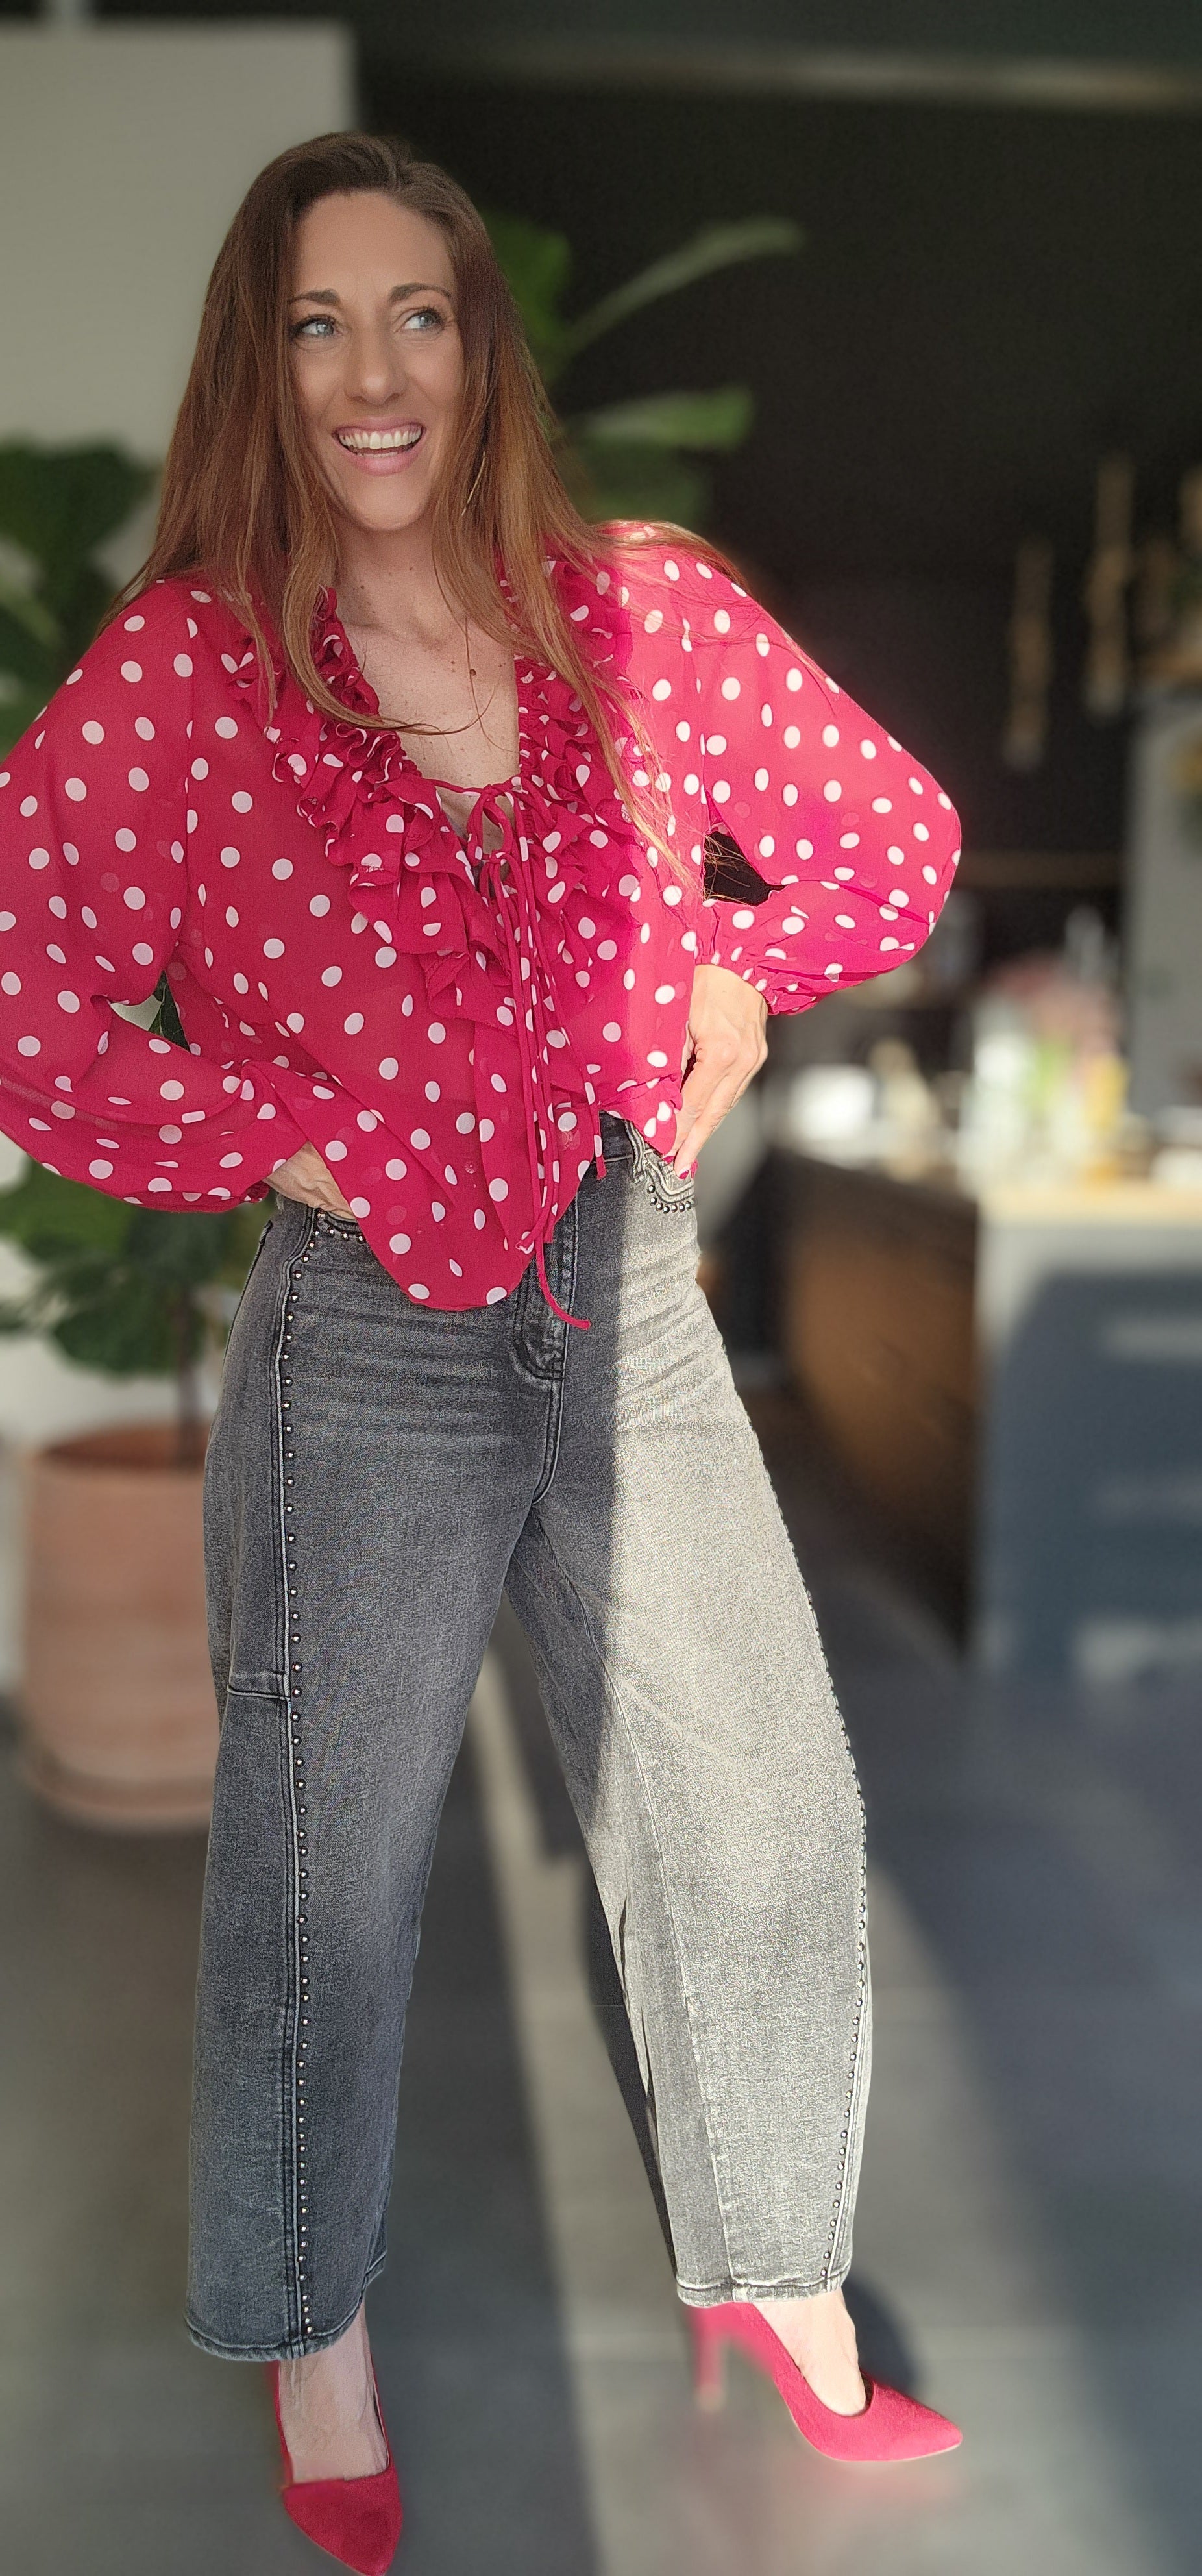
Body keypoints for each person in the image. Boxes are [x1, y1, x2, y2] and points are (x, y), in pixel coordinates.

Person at [0, 134, 963, 2574]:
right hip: (364, 1345)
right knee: (323, 1888)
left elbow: (892, 836)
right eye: (316, 322)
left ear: (478, 349)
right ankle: (309, 2341)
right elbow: (24, 1000)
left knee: (757, 1810)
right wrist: (268, 1137)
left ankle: (773, 2280)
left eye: (414, 315)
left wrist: (742, 962)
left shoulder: (638, 612)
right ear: (261, 365)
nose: (372, 372)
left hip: (625, 1302)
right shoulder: (187, 675)